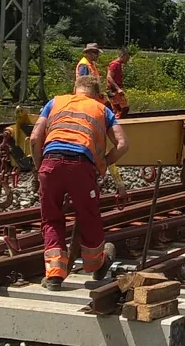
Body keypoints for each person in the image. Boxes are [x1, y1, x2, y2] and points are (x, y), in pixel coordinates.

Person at [30, 74, 128, 289]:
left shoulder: (54, 102)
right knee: (88, 215)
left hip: (50, 164)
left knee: (52, 219)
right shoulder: (103, 110)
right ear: (97, 94)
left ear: (75, 89)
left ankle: (55, 274)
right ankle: (96, 264)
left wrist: (40, 167)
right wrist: (100, 164)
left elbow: (35, 138)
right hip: (81, 166)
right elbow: (122, 144)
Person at [106, 46, 131, 117]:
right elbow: (109, 77)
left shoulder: (118, 64)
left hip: (116, 90)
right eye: (127, 58)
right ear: (123, 56)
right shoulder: (115, 64)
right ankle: (117, 123)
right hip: (113, 90)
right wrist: (118, 89)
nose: (128, 60)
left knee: (121, 109)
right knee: (122, 109)